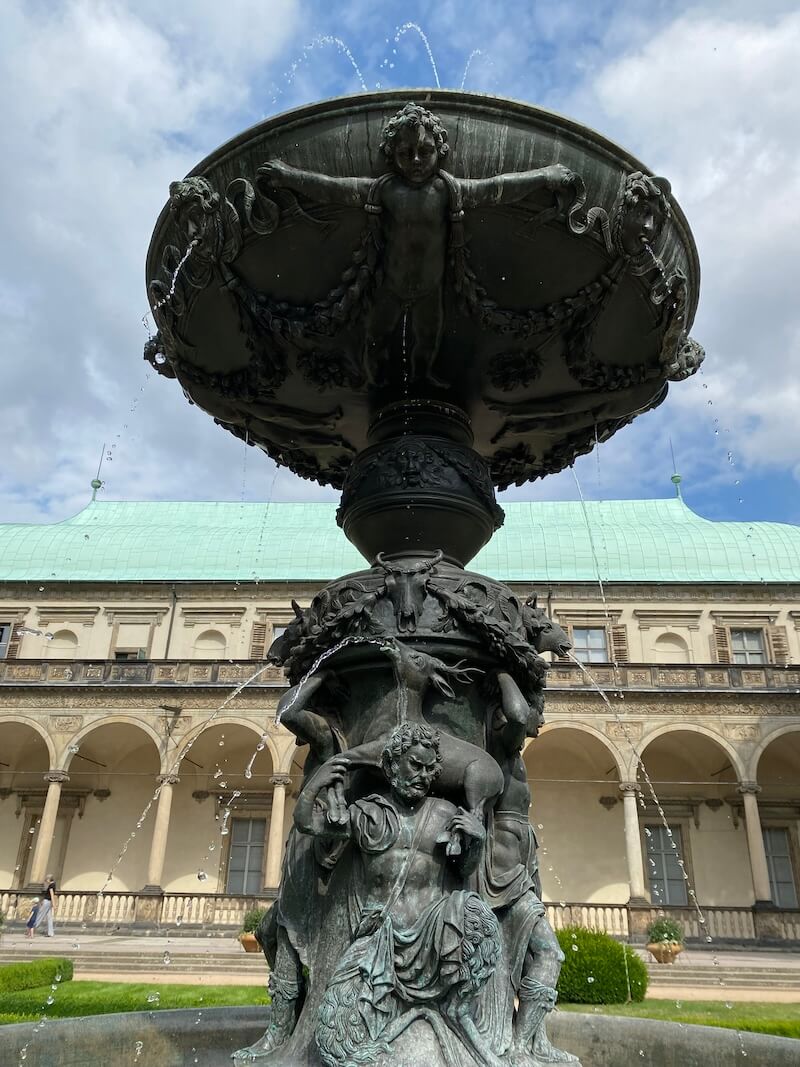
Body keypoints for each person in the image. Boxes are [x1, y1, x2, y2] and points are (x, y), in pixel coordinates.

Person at [258, 102, 579, 387]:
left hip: (430, 289)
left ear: (440, 152)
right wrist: (289, 176)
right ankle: (375, 377)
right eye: (405, 153)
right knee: (374, 337)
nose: (415, 160)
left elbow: (497, 188)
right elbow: (332, 189)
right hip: (391, 287)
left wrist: (543, 175)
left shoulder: (446, 189)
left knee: (428, 340)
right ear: (391, 155)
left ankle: (422, 375)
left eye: (425, 152)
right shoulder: (384, 189)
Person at [296, 722, 505, 1067]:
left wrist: (477, 841)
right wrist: (316, 783)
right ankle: (406, 1023)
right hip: (382, 940)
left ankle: (460, 1012)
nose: (423, 775)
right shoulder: (369, 813)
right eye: (415, 765)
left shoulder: (445, 813)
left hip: (435, 935)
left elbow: (463, 870)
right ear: (393, 766)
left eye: (429, 769)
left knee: (472, 910)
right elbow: (308, 823)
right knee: (335, 1034)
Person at [483, 674, 579, 1066]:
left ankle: (532, 1040)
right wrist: (507, 671)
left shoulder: (514, 756)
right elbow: (519, 716)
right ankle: (522, 1046)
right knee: (548, 955)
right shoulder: (501, 749)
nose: (540, 723)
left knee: (527, 957)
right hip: (503, 871)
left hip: (521, 865)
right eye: (540, 712)